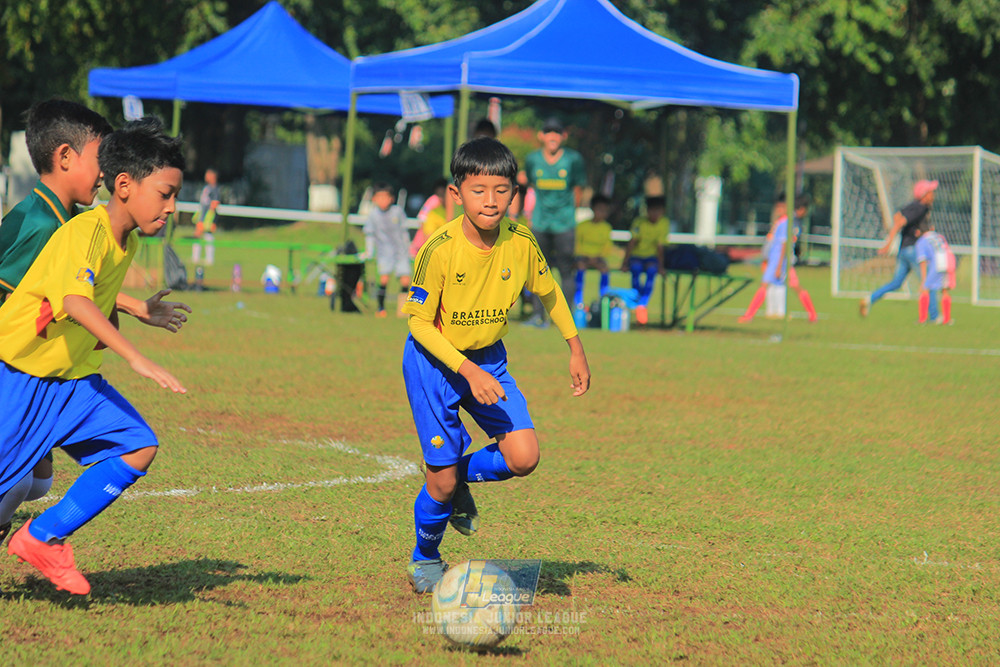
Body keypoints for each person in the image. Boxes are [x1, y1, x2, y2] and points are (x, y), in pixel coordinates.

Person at [0, 116, 188, 595]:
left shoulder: (120, 242)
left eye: (174, 196)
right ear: (124, 185)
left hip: (69, 382)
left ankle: (42, 536)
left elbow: (92, 294)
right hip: (21, 378)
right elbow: (74, 301)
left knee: (138, 444)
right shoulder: (87, 229)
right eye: (164, 193)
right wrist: (135, 357)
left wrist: (137, 309)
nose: (172, 207)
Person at [401, 137, 590, 593]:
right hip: (435, 364)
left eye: (501, 190)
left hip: (488, 359)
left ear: (515, 193)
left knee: (524, 456)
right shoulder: (439, 249)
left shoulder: (521, 241)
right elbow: (420, 325)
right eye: (478, 189)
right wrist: (466, 372)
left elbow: (549, 292)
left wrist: (575, 345)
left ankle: (457, 474)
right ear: (457, 193)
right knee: (439, 487)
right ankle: (424, 558)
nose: (490, 200)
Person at [521, 117, 586, 326]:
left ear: (563, 136)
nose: (552, 136)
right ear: (541, 136)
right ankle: (537, 316)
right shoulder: (532, 160)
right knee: (539, 270)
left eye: (557, 132)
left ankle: (565, 319)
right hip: (540, 222)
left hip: (564, 224)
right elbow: (529, 184)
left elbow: (578, 189)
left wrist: (569, 213)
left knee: (566, 270)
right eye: (548, 131)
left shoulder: (573, 159)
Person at [860, 179, 939, 317]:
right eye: (931, 192)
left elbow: (897, 216)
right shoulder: (920, 207)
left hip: (903, 251)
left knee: (896, 283)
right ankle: (935, 316)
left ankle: (869, 299)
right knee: (928, 281)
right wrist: (888, 244)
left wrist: (920, 231)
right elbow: (899, 223)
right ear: (924, 194)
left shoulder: (916, 206)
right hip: (913, 250)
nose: (933, 195)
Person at [738, 194, 818, 323]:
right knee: (794, 285)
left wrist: (779, 265)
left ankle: (749, 315)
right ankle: (813, 315)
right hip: (778, 260)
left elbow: (784, 244)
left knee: (765, 285)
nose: (778, 210)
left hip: (779, 261)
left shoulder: (786, 222)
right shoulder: (786, 221)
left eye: (780, 207)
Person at [361, 182, 411, 317]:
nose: (383, 201)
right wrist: (369, 251)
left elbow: (404, 231)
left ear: (391, 198)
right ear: (374, 199)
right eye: (380, 197)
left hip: (400, 251)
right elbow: (369, 234)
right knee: (384, 279)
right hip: (384, 252)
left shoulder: (397, 212)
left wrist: (409, 247)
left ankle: (403, 309)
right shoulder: (373, 215)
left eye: (385, 197)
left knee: (405, 279)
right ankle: (381, 308)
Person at [621, 195, 669, 325]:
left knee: (652, 271)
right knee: (635, 269)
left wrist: (661, 266)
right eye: (652, 210)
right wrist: (625, 262)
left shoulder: (664, 223)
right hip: (637, 256)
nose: (654, 214)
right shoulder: (639, 222)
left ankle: (642, 303)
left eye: (657, 210)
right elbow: (632, 242)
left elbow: (660, 247)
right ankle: (639, 302)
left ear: (662, 211)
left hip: (651, 257)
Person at [573, 194, 613, 307]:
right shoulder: (582, 226)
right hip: (583, 256)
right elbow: (577, 244)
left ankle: (603, 299)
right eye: (599, 209)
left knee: (604, 268)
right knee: (580, 265)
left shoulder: (607, 227)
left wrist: (597, 257)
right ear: (593, 209)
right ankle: (578, 299)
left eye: (605, 210)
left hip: (598, 257)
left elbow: (607, 246)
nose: (602, 213)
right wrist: (586, 256)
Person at [915, 219, 956, 324]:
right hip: (949, 260)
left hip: (938, 263)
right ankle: (947, 319)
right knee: (945, 290)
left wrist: (923, 280)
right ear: (931, 228)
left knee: (925, 288)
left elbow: (923, 261)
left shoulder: (921, 241)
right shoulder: (939, 236)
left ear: (919, 232)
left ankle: (922, 319)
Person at [191, 168, 220, 265]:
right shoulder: (207, 187)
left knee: (208, 236)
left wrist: (210, 220)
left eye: (208, 174)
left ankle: (209, 259)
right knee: (199, 235)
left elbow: (214, 205)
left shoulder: (214, 189)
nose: (206, 176)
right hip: (202, 216)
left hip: (207, 217)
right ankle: (196, 258)